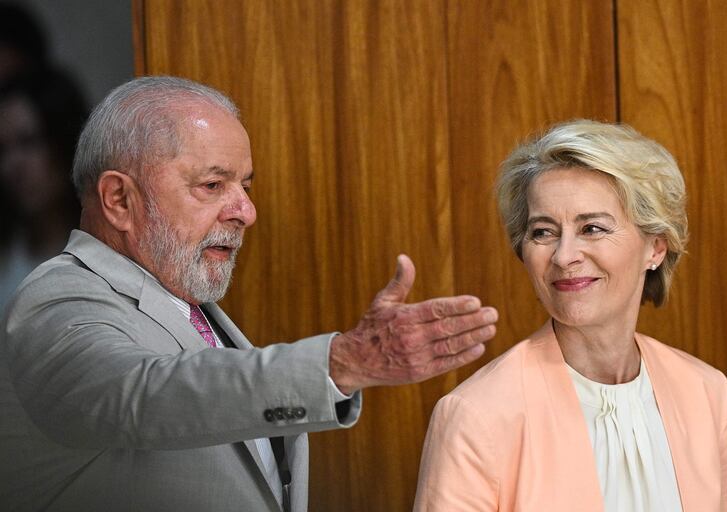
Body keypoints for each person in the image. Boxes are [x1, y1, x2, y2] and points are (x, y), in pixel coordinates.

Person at [0, 76, 498, 512]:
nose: (246, 211)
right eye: (213, 185)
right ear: (119, 199)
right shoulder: (58, 298)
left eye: (245, 185)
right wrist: (340, 364)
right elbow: (140, 394)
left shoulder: (189, 305)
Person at [413, 120, 727, 511]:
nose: (564, 256)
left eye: (592, 228)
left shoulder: (706, 391)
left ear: (656, 248)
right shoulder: (475, 416)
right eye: (544, 232)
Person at [0, 66, 89, 314]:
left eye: (28, 142)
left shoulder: (105, 251)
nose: (12, 166)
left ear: (62, 140)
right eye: (2, 150)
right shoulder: (7, 256)